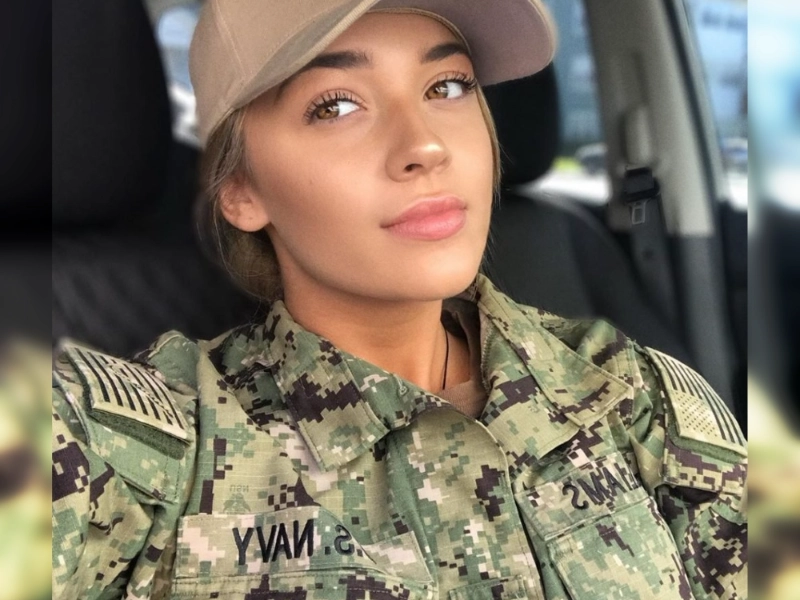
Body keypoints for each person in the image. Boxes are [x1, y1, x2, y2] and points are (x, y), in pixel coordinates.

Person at [51, 1, 748, 598]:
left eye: (448, 86)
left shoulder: (634, 395)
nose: (425, 144)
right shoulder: (140, 447)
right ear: (241, 191)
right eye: (336, 105)